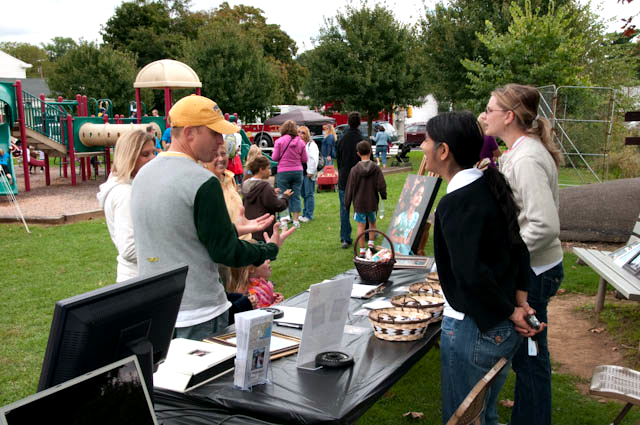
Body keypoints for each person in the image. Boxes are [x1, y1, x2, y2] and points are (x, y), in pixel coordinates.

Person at [131, 95, 295, 341]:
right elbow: (225, 252)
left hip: (158, 311)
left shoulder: (143, 175)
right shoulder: (202, 181)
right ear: (189, 133)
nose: (221, 141)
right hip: (199, 311)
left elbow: (181, 231)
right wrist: (267, 249)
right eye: (215, 133)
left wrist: (230, 229)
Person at [422, 111, 541, 425]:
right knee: (485, 415)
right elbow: (518, 247)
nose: (422, 146)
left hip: (474, 329)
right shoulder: (488, 186)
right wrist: (520, 298)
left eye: (427, 141)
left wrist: (512, 309)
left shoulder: (457, 202)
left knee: (465, 418)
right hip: (496, 327)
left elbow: (472, 274)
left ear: (443, 151)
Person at [482, 84, 564, 425]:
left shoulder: (528, 157)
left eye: (490, 110)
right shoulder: (519, 151)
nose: (484, 116)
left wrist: (507, 259)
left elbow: (544, 225)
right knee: (528, 355)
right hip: (535, 268)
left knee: (530, 356)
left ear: (509, 116)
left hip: (537, 272)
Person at [97, 130, 155, 282]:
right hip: (138, 279)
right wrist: (165, 250)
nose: (152, 159)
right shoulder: (125, 193)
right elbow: (128, 249)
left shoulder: (130, 187)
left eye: (153, 153)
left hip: (142, 275)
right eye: (145, 154)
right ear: (130, 156)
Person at [344, 141, 386, 257]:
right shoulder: (376, 168)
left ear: (358, 153)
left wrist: (347, 203)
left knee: (361, 226)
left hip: (359, 203)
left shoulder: (354, 170)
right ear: (371, 151)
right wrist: (383, 195)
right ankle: (371, 246)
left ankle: (362, 250)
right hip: (372, 201)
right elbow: (381, 184)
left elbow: (349, 188)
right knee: (372, 223)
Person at [203, 138, 247, 240]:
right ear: (204, 160)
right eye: (214, 155)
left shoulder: (230, 178)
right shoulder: (203, 186)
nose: (220, 158)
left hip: (244, 244)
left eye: (223, 154)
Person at [242, 156, 292, 241]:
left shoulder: (245, 184)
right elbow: (278, 206)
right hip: (263, 228)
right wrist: (285, 197)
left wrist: (271, 192)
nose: (270, 171)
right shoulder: (265, 187)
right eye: (268, 168)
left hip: (249, 227)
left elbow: (256, 198)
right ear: (261, 169)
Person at [271, 119, 307, 229]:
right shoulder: (300, 142)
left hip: (283, 171)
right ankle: (296, 221)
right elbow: (304, 159)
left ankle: (284, 221)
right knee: (296, 196)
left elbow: (275, 158)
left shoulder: (280, 141)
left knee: (283, 195)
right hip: (297, 171)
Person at [336, 112, 364, 248]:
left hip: (345, 177)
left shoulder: (342, 139)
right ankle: (365, 233)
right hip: (359, 177)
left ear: (348, 122)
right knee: (363, 207)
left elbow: (339, 159)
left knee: (344, 208)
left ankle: (345, 238)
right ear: (359, 123)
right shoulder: (362, 139)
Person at [389, 180, 425, 255]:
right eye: (418, 194)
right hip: (395, 246)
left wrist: (407, 240)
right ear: (411, 197)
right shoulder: (401, 217)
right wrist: (398, 240)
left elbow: (410, 231)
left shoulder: (416, 215)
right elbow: (391, 236)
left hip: (404, 245)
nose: (419, 198)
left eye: (421, 195)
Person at [298, 126, 319, 222]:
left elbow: (314, 159)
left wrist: (310, 172)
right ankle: (305, 213)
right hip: (301, 172)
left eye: (302, 132)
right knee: (303, 193)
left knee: (309, 194)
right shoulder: (299, 144)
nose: (300, 134)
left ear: (306, 134)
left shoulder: (311, 144)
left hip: (308, 173)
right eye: (298, 132)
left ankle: (308, 215)